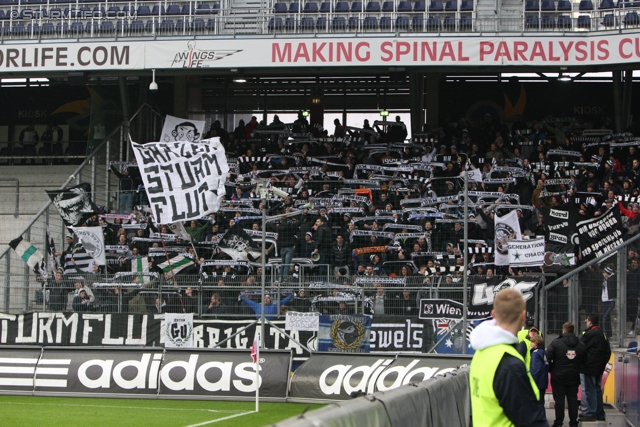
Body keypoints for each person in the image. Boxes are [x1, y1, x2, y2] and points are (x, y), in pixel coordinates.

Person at [469, 288, 548, 427]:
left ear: (494, 314)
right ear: (523, 316)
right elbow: (532, 421)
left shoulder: (480, 355)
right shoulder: (509, 364)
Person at [546, 322, 586, 427]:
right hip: (574, 376)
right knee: (572, 399)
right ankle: (573, 422)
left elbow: (547, 357)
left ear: (563, 330)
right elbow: (585, 359)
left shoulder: (556, 343)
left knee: (559, 400)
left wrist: (551, 369)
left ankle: (558, 422)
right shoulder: (580, 345)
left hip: (558, 376)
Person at [579, 314, 612, 422]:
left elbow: (580, 347)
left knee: (590, 390)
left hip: (589, 367)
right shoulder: (603, 334)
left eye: (587, 320)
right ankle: (599, 413)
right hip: (599, 367)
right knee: (597, 389)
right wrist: (602, 363)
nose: (586, 322)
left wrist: (583, 362)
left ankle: (591, 413)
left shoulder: (590, 334)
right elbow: (608, 351)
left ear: (590, 322)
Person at [529, 335, 548, 406]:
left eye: (532, 342)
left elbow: (535, 368)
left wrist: (533, 382)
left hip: (537, 381)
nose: (530, 344)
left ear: (536, 343)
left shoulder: (535, 353)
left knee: (535, 402)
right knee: (541, 401)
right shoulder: (543, 352)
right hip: (543, 381)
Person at [600, 265, 616, 338]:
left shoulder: (612, 279)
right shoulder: (605, 280)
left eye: (604, 272)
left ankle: (604, 334)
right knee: (605, 317)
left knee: (604, 316)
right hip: (604, 301)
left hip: (610, 301)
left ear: (607, 273)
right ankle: (608, 333)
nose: (603, 274)